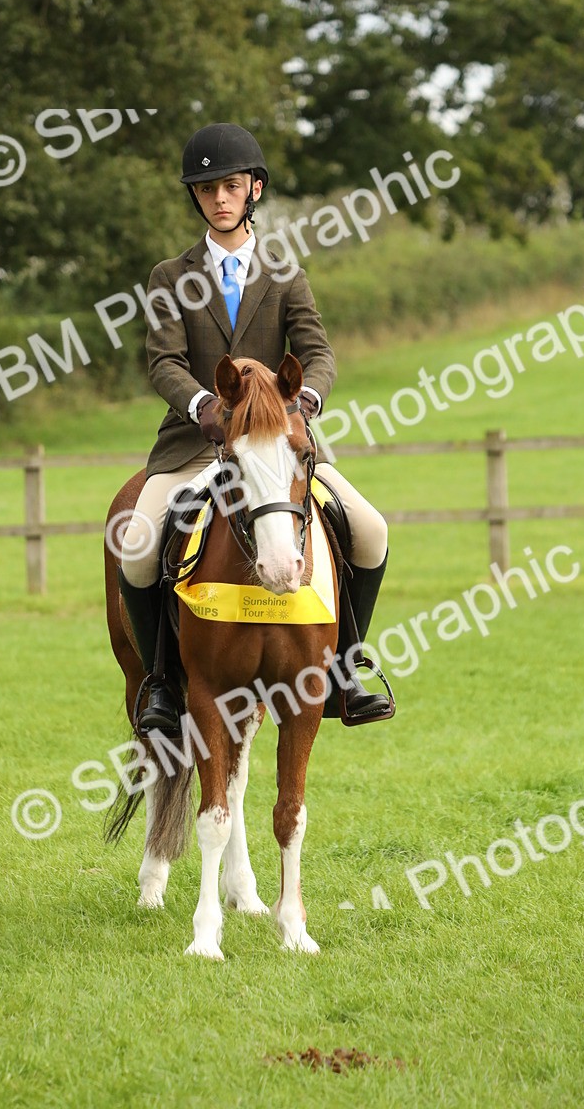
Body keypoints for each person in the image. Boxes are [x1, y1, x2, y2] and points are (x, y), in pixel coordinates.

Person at [118, 122, 393, 735]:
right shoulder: (170, 276)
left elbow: (318, 353)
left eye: (232, 186)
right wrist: (203, 409)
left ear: (254, 191)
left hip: (276, 448)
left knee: (370, 532)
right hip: (196, 445)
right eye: (208, 188)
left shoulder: (286, 272)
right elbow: (162, 362)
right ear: (196, 197)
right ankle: (162, 681)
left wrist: (305, 404)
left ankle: (344, 669)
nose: (220, 198)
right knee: (137, 547)